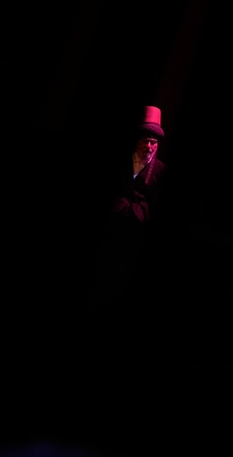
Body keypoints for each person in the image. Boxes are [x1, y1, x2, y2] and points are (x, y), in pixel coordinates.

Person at [87, 105, 170, 315]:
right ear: (137, 141)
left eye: (154, 143)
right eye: (145, 141)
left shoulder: (160, 171)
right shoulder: (122, 162)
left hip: (133, 239)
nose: (149, 147)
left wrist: (132, 211)